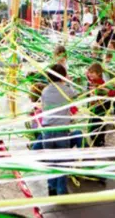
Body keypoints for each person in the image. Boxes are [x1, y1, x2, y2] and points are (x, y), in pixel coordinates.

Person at [40, 63, 79, 196]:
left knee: (51, 161)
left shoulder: (44, 91)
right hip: (62, 131)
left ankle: (51, 187)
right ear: (63, 76)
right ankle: (61, 190)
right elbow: (78, 94)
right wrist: (70, 82)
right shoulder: (66, 89)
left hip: (47, 131)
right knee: (63, 162)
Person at [86, 62, 110, 147]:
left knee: (98, 123)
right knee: (93, 124)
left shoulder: (101, 83)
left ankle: (100, 140)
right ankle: (95, 138)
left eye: (92, 73)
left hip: (101, 107)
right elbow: (87, 75)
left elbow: (105, 95)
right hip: (94, 107)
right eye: (90, 72)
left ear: (99, 73)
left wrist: (97, 92)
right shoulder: (92, 80)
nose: (90, 74)